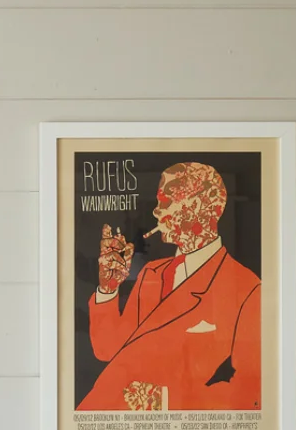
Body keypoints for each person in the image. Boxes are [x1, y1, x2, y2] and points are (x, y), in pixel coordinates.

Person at [79, 161, 261, 413]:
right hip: (103, 413)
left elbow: (250, 392)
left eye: (166, 201)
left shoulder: (247, 288)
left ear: (198, 207)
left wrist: (163, 400)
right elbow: (107, 350)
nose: (156, 211)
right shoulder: (152, 272)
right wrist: (108, 289)